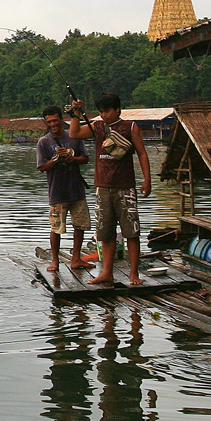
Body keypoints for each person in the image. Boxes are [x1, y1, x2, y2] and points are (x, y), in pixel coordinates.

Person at [69, 93, 151, 285]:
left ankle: (133, 274)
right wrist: (76, 113)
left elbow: (142, 153)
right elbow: (74, 134)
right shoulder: (97, 127)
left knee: (131, 231)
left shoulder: (130, 127)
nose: (103, 115)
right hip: (103, 187)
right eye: (101, 112)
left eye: (107, 111)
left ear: (117, 109)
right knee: (105, 233)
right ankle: (107, 272)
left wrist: (147, 180)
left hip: (126, 186)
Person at [36, 104, 92, 272]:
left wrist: (72, 159)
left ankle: (76, 259)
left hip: (77, 190)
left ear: (61, 119)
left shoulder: (74, 136)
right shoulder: (44, 142)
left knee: (80, 225)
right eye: (49, 122)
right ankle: (55, 261)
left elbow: (85, 158)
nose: (53, 124)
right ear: (46, 123)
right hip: (57, 192)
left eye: (55, 120)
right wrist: (56, 159)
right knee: (56, 228)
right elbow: (41, 167)